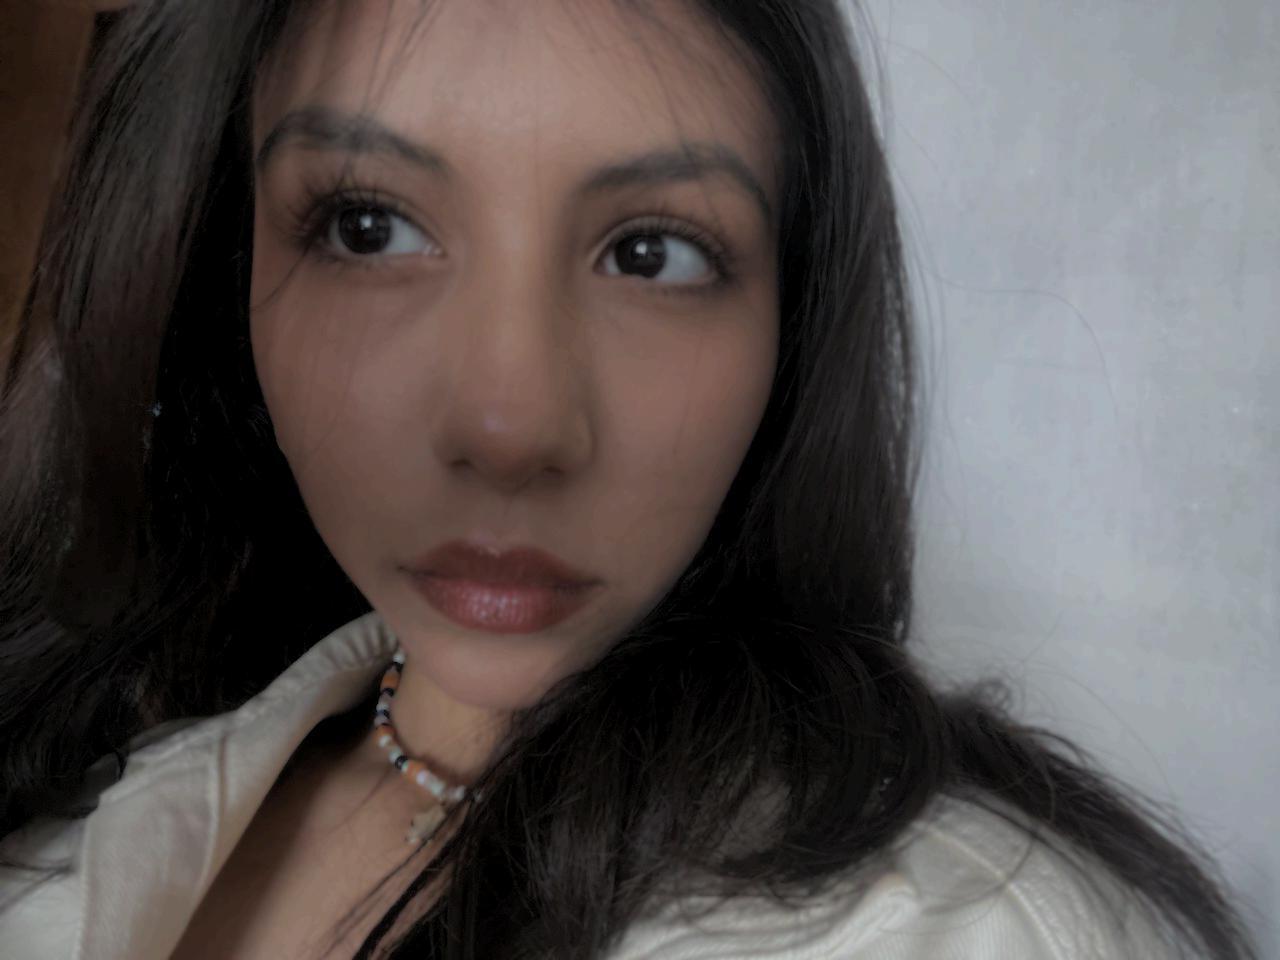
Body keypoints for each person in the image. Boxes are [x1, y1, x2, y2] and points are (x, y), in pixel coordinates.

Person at [0, 1, 1261, 958]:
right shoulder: (77, 771)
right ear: (221, 281)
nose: (509, 427)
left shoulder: (962, 930)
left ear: (791, 327)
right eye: (367, 226)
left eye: (652, 254)